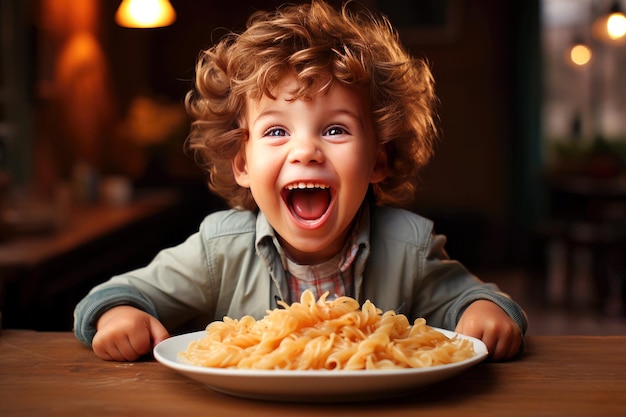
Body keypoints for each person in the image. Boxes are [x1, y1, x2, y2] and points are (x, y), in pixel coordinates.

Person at [74, 0, 526, 362]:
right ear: (243, 164)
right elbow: (117, 294)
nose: (306, 150)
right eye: (276, 131)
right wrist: (119, 315)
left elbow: (475, 302)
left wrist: (483, 313)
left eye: (335, 130)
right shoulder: (219, 251)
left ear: (378, 160)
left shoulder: (408, 247)